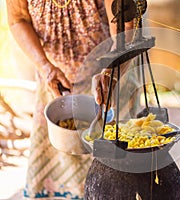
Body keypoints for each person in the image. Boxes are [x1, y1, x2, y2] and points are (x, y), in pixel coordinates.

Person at [6, 0, 135, 198]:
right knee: (61, 171)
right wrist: (45, 67)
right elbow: (18, 19)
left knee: (116, 176)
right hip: (54, 83)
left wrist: (113, 70)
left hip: (107, 78)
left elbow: (125, 25)